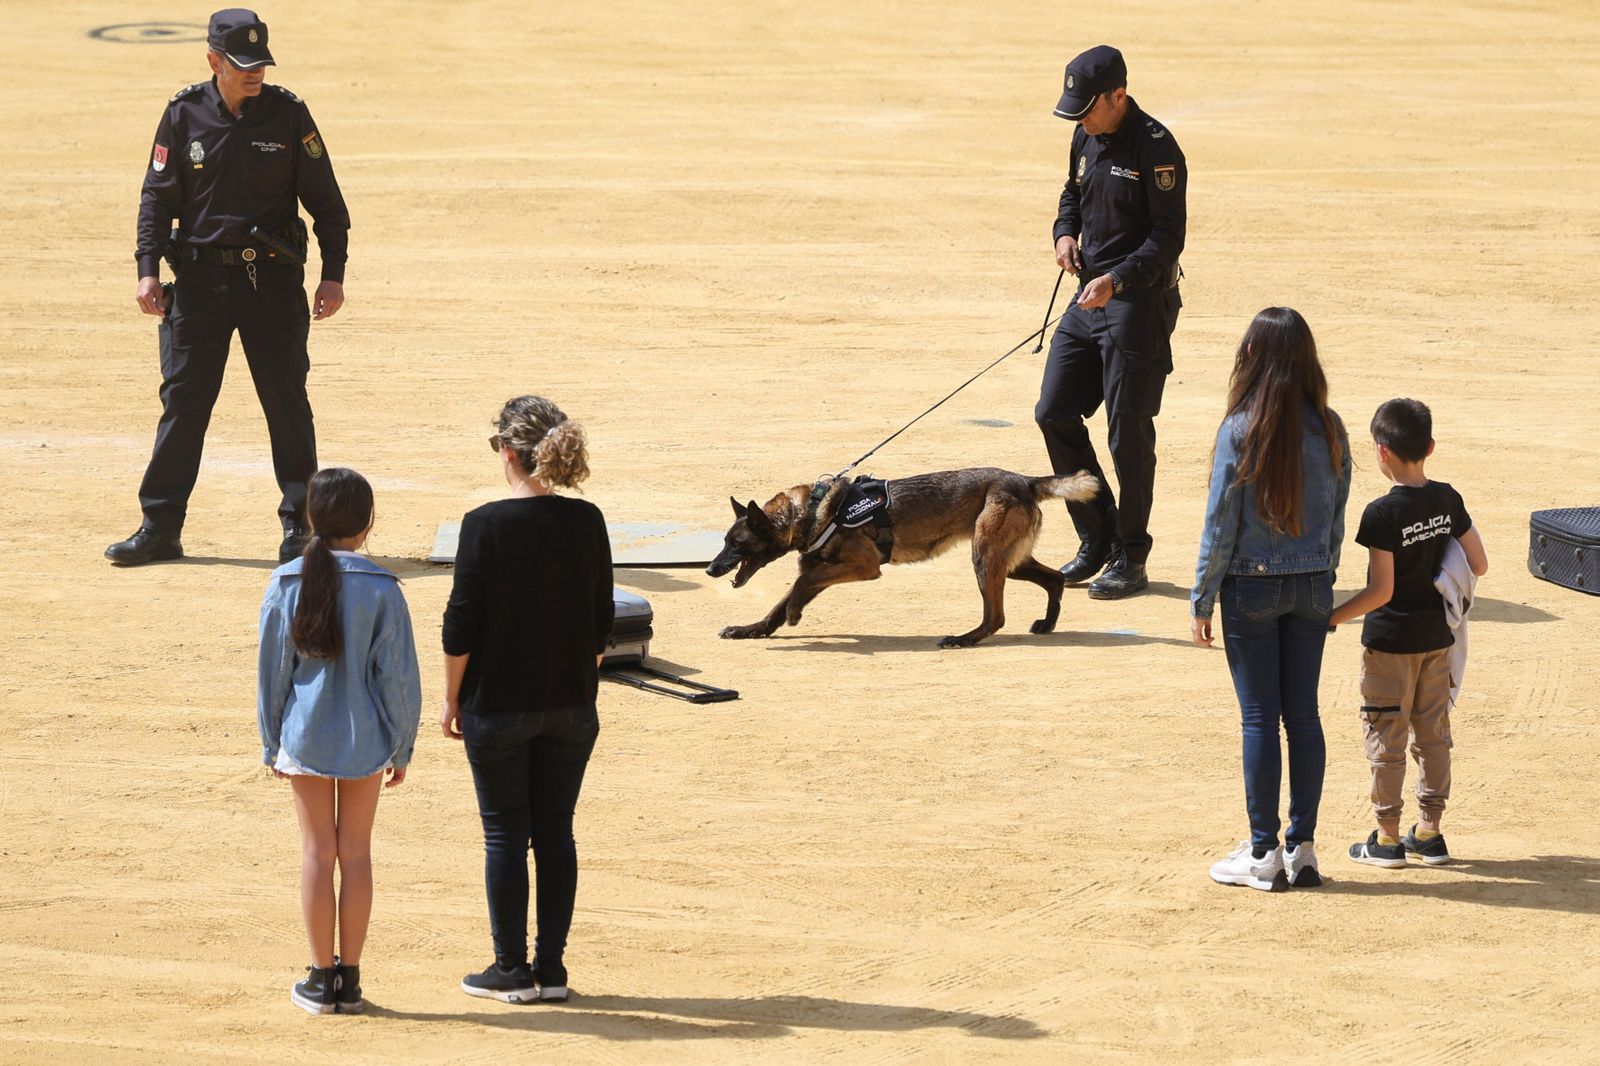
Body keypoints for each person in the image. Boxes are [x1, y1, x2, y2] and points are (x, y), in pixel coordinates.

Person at [108, 8, 350, 568]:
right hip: (198, 284)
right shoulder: (183, 113)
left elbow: (328, 203)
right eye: (242, 64)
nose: (254, 73)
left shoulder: (289, 115)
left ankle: (301, 529)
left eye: (260, 63)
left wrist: (332, 273)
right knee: (184, 404)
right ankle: (160, 527)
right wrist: (148, 267)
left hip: (270, 281)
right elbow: (157, 198)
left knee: (286, 404)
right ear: (213, 60)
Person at [440, 396, 614, 1005]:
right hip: (571, 706)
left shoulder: (483, 523)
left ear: (509, 452)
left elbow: (460, 625)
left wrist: (450, 700)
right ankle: (553, 970)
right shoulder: (587, 521)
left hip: (499, 704)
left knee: (505, 838)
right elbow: (600, 628)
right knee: (556, 834)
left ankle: (510, 968)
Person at [1191, 308, 1350, 892]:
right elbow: (1336, 517)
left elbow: (1220, 522)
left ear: (1252, 356)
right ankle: (1302, 848)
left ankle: (1262, 853)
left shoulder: (1240, 428)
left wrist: (1202, 598)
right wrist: (1323, 575)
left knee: (1259, 716)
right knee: (1303, 715)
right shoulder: (1331, 427)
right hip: (1313, 584)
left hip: (1251, 586)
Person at [257, 467, 422, 1015]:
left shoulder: (286, 582)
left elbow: (272, 673)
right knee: (356, 854)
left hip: (303, 737)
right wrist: (401, 747)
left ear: (311, 518)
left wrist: (270, 743)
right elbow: (398, 680)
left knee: (315, 853)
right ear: (368, 522)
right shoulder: (383, 589)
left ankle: (319, 978)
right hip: (367, 740)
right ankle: (350, 981)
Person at [1036, 44, 1186, 598]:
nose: (1081, 119)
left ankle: (1132, 553)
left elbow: (1168, 240)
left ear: (1118, 95)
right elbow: (1071, 194)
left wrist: (1116, 281)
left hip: (1137, 304)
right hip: (1088, 297)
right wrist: (1064, 234)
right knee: (1053, 412)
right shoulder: (1085, 133)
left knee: (1128, 435)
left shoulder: (1157, 148)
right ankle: (1096, 536)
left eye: (1088, 107)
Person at [1329, 399, 1488, 868]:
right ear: (1430, 447)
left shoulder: (1380, 513)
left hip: (1390, 643)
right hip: (1437, 638)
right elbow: (1478, 563)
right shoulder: (1447, 498)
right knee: (1433, 735)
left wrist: (1332, 616)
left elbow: (1381, 591)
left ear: (1381, 452)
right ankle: (1430, 831)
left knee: (1387, 736)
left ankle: (1387, 837)